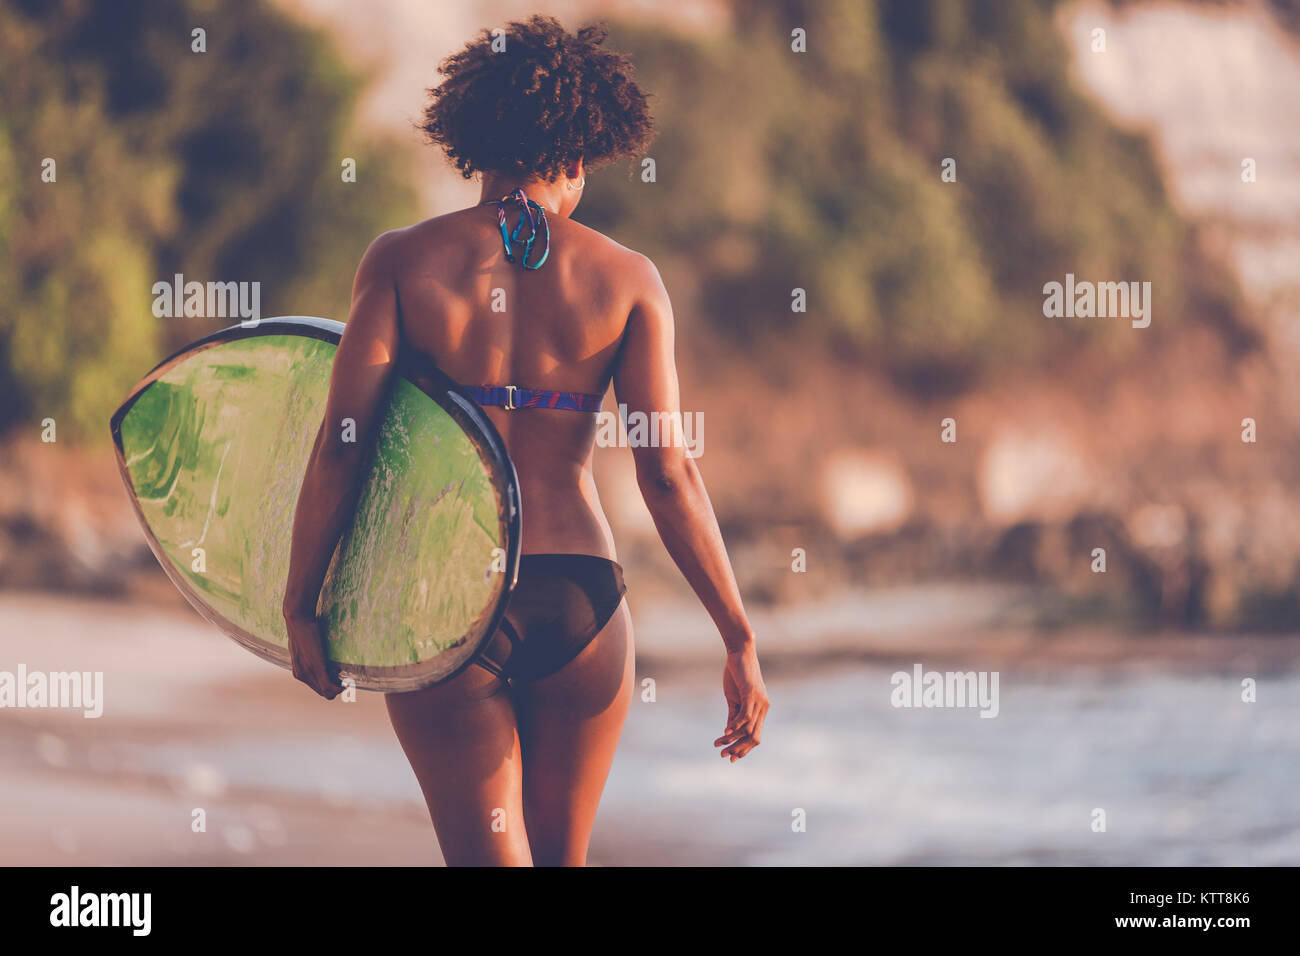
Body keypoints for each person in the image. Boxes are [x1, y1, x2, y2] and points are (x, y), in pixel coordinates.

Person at [280, 15, 768, 866]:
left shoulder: (401, 262)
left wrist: (300, 604)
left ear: (471, 141)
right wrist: (737, 635)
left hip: (446, 601)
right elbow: (668, 475)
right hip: (579, 600)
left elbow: (342, 445)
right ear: (579, 154)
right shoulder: (628, 279)